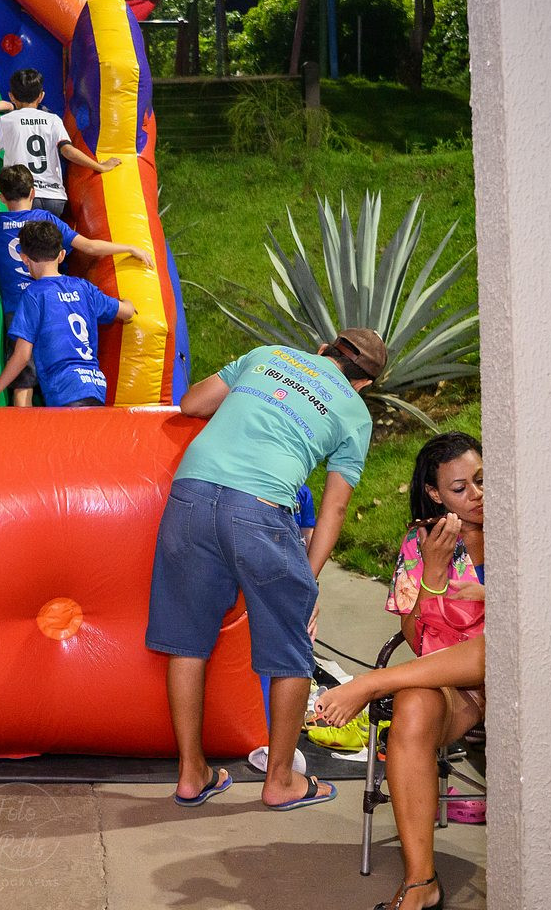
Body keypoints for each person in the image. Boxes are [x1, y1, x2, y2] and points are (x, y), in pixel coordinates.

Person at [145, 328, 386, 811]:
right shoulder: (355, 413)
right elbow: (335, 508)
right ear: (363, 384)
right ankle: (280, 781)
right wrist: (308, 577)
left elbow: (192, 404)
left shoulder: (268, 354)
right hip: (260, 509)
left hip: (190, 495)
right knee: (291, 648)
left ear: (322, 350)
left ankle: (191, 774)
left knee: (187, 642)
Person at [312, 432, 487, 910]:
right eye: (460, 488)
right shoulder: (422, 541)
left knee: (501, 646)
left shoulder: (520, 529)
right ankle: (421, 882)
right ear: (434, 493)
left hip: (520, 680)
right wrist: (433, 573)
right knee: (412, 706)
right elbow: (418, 640)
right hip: (454, 686)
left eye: (481, 480)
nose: (476, 494)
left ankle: (371, 684)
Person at [0, 165, 152, 407]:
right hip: (57, 310)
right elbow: (89, 246)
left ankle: (24, 424)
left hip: (19, 309)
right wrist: (129, 247)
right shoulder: (47, 222)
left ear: (2, 198)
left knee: (24, 382)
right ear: (33, 193)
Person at [0, 220, 135, 408]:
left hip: (63, 389)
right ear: (61, 255)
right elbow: (127, 312)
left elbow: (22, 355)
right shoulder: (84, 288)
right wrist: (128, 300)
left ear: (24, 259)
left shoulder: (34, 294)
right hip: (95, 387)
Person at [0, 68, 119, 219]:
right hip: (55, 199)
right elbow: (68, 151)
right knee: (47, 245)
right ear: (41, 96)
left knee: (27, 246)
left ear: (12, 96)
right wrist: (100, 166)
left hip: (23, 197)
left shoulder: (6, 121)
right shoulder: (53, 119)